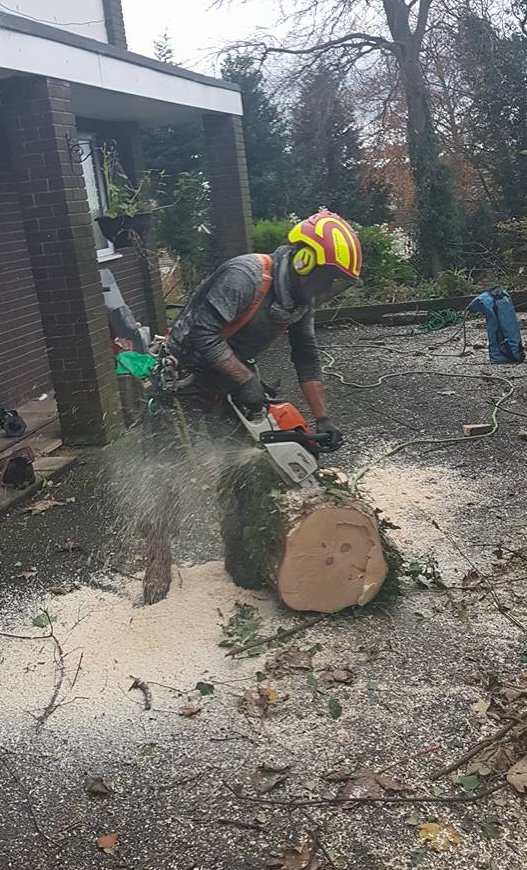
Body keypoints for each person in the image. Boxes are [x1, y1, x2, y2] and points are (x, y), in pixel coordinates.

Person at [140, 209, 363, 603]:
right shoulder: (247, 276)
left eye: (336, 284)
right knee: (165, 475)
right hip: (183, 378)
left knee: (244, 472)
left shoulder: (299, 298)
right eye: (328, 279)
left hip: (229, 380)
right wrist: (246, 380)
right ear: (304, 258)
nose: (328, 289)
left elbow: (306, 354)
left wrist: (323, 418)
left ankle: (240, 563)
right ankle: (157, 572)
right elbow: (201, 333)